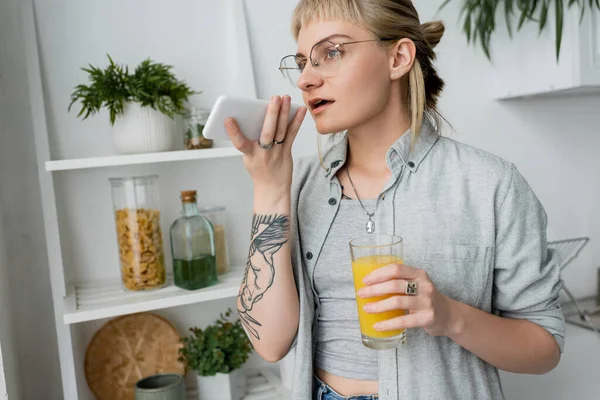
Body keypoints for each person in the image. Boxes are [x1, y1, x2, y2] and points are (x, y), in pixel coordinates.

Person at [226, 1, 565, 399]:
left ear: (398, 57)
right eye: (302, 62)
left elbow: (544, 349)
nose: (305, 80)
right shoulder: (295, 182)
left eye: (330, 53)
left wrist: (449, 315)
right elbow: (269, 343)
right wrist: (269, 189)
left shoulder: (490, 184)